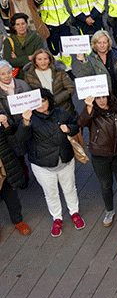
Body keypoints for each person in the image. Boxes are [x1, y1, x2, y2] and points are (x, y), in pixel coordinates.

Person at [15, 88, 83, 237]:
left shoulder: (61, 112)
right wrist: (25, 122)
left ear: (49, 100)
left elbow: (75, 125)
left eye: (43, 100)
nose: (41, 104)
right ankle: (57, 218)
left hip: (65, 160)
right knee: (51, 194)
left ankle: (74, 213)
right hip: (42, 166)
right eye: (37, 101)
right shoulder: (29, 117)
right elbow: (20, 138)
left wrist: (69, 129)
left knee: (70, 188)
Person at [78, 93, 117, 227]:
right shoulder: (92, 112)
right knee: (106, 185)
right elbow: (82, 122)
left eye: (103, 97)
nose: (101, 101)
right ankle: (109, 211)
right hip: (99, 155)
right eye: (98, 98)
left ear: (109, 97)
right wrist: (88, 107)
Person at [0, 94, 30, 236]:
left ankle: (18, 220)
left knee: (12, 197)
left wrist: (6, 124)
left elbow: (12, 137)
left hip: (5, 164)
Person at [23, 49, 76, 115]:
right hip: (42, 113)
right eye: (39, 59)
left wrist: (54, 101)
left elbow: (70, 89)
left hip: (63, 109)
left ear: (50, 60)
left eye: (45, 59)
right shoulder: (29, 74)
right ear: (35, 61)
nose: (43, 62)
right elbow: (28, 94)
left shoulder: (59, 71)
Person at [72, 31, 117, 100]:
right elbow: (89, 77)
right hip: (103, 98)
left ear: (108, 43)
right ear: (94, 44)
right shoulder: (89, 59)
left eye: (104, 43)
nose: (102, 45)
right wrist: (84, 61)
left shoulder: (116, 55)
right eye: (99, 43)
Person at [36, 0, 74, 65]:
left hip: (63, 23)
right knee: (54, 49)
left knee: (66, 48)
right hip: (50, 25)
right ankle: (57, 68)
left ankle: (68, 68)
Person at [2, 13, 45, 81]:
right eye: (18, 24)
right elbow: (8, 62)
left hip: (37, 75)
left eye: (23, 23)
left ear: (27, 25)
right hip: (18, 78)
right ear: (14, 27)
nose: (21, 26)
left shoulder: (37, 38)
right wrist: (29, 57)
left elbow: (40, 59)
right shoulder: (8, 41)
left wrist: (17, 60)